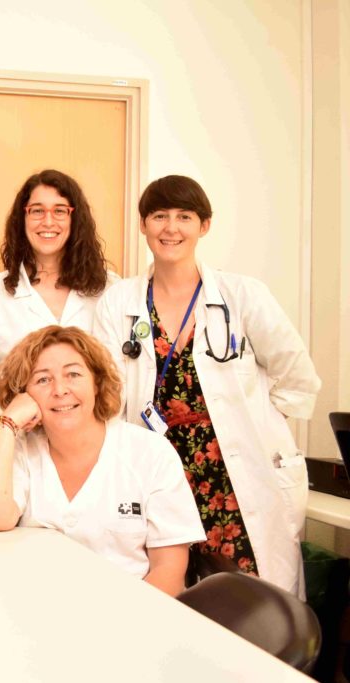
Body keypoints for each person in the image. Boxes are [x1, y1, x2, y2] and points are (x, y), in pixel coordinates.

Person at [93, 175, 321, 596]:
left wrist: (255, 424)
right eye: (159, 216)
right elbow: (106, 392)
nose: (171, 228)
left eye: (184, 216)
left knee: (247, 596)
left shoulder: (243, 295)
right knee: (168, 590)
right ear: (143, 224)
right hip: (159, 469)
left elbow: (297, 376)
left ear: (205, 225)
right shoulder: (119, 301)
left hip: (232, 473)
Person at [0, 326, 204, 596]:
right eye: (42, 380)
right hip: (34, 605)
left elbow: (169, 571)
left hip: (131, 609)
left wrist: (126, 618)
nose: (60, 390)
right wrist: (7, 422)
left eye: (73, 374)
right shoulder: (19, 451)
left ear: (97, 383)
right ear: (24, 394)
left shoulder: (150, 453)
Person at [0, 169, 113, 401]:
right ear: (22, 218)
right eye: (37, 211)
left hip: (93, 422)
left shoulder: (110, 290)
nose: (48, 221)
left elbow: (116, 377)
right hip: (15, 422)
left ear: (75, 219)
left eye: (60, 211)